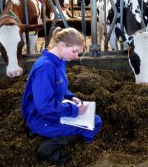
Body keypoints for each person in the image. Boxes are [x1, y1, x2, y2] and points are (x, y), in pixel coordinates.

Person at [22, 27, 102, 165]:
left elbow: (59, 87)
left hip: (52, 111)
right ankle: (48, 148)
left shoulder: (59, 60)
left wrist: (70, 97)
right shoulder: (44, 68)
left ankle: (48, 133)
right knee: (93, 123)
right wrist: (74, 111)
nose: (76, 56)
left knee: (92, 119)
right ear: (61, 45)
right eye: (75, 51)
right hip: (40, 117)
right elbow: (45, 106)